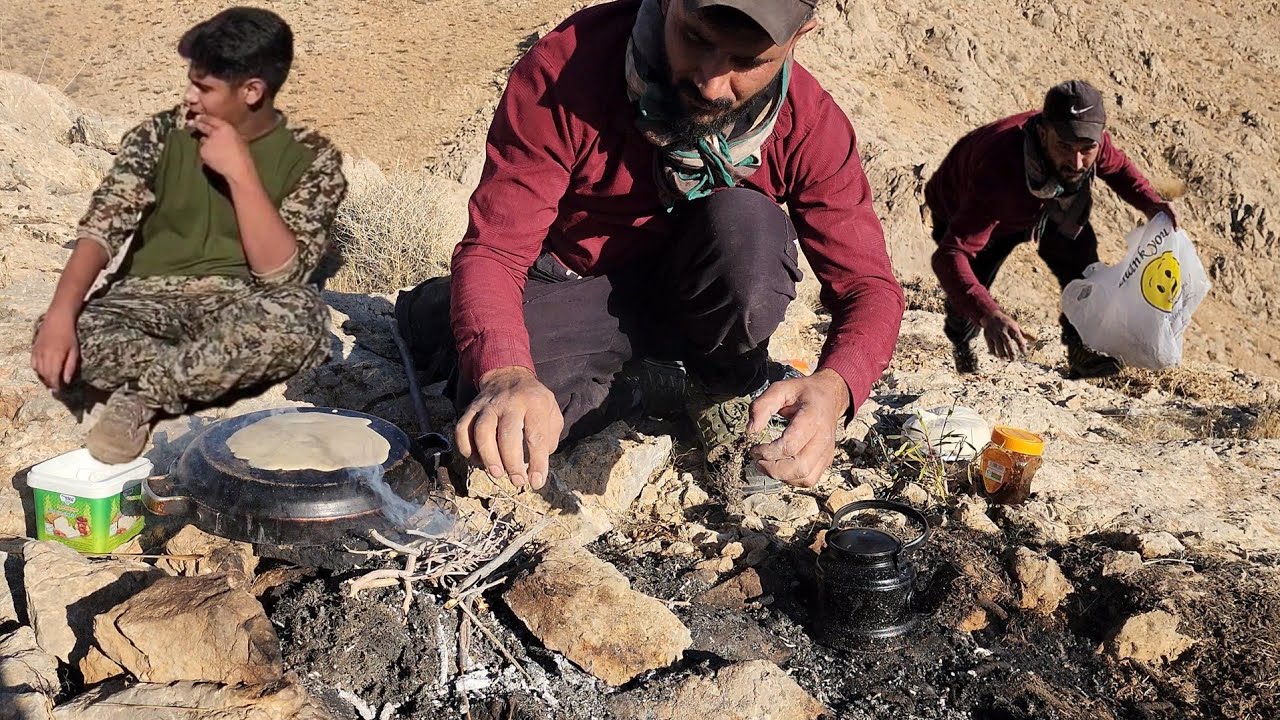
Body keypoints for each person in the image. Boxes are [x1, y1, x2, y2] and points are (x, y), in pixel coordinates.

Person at [396, 0, 904, 498]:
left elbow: (867, 287)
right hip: (578, 287)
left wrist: (835, 388)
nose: (711, 83)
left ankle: (717, 386)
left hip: (700, 297)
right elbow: (497, 251)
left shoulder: (808, 121)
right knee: (504, 421)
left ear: (799, 36)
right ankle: (450, 316)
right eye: (697, 39)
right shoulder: (566, 70)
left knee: (748, 228)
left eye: (748, 61)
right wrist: (505, 372)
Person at [29, 7, 347, 464]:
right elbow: (104, 226)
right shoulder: (159, 136)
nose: (189, 96)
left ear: (253, 91)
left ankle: (144, 397)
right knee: (63, 330)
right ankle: (197, 370)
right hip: (143, 301)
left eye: (204, 87)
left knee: (302, 323)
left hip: (239, 305)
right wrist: (61, 313)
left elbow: (280, 276)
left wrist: (241, 174)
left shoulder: (312, 158)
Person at [926, 79, 1176, 378]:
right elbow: (951, 253)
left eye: (1088, 149)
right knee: (969, 291)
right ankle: (962, 346)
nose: (1077, 161)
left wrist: (1153, 205)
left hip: (1046, 206)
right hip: (967, 208)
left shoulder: (1092, 142)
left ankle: (1081, 348)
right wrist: (988, 315)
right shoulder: (998, 172)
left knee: (1081, 259)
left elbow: (1120, 171)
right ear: (1042, 134)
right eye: (1064, 146)